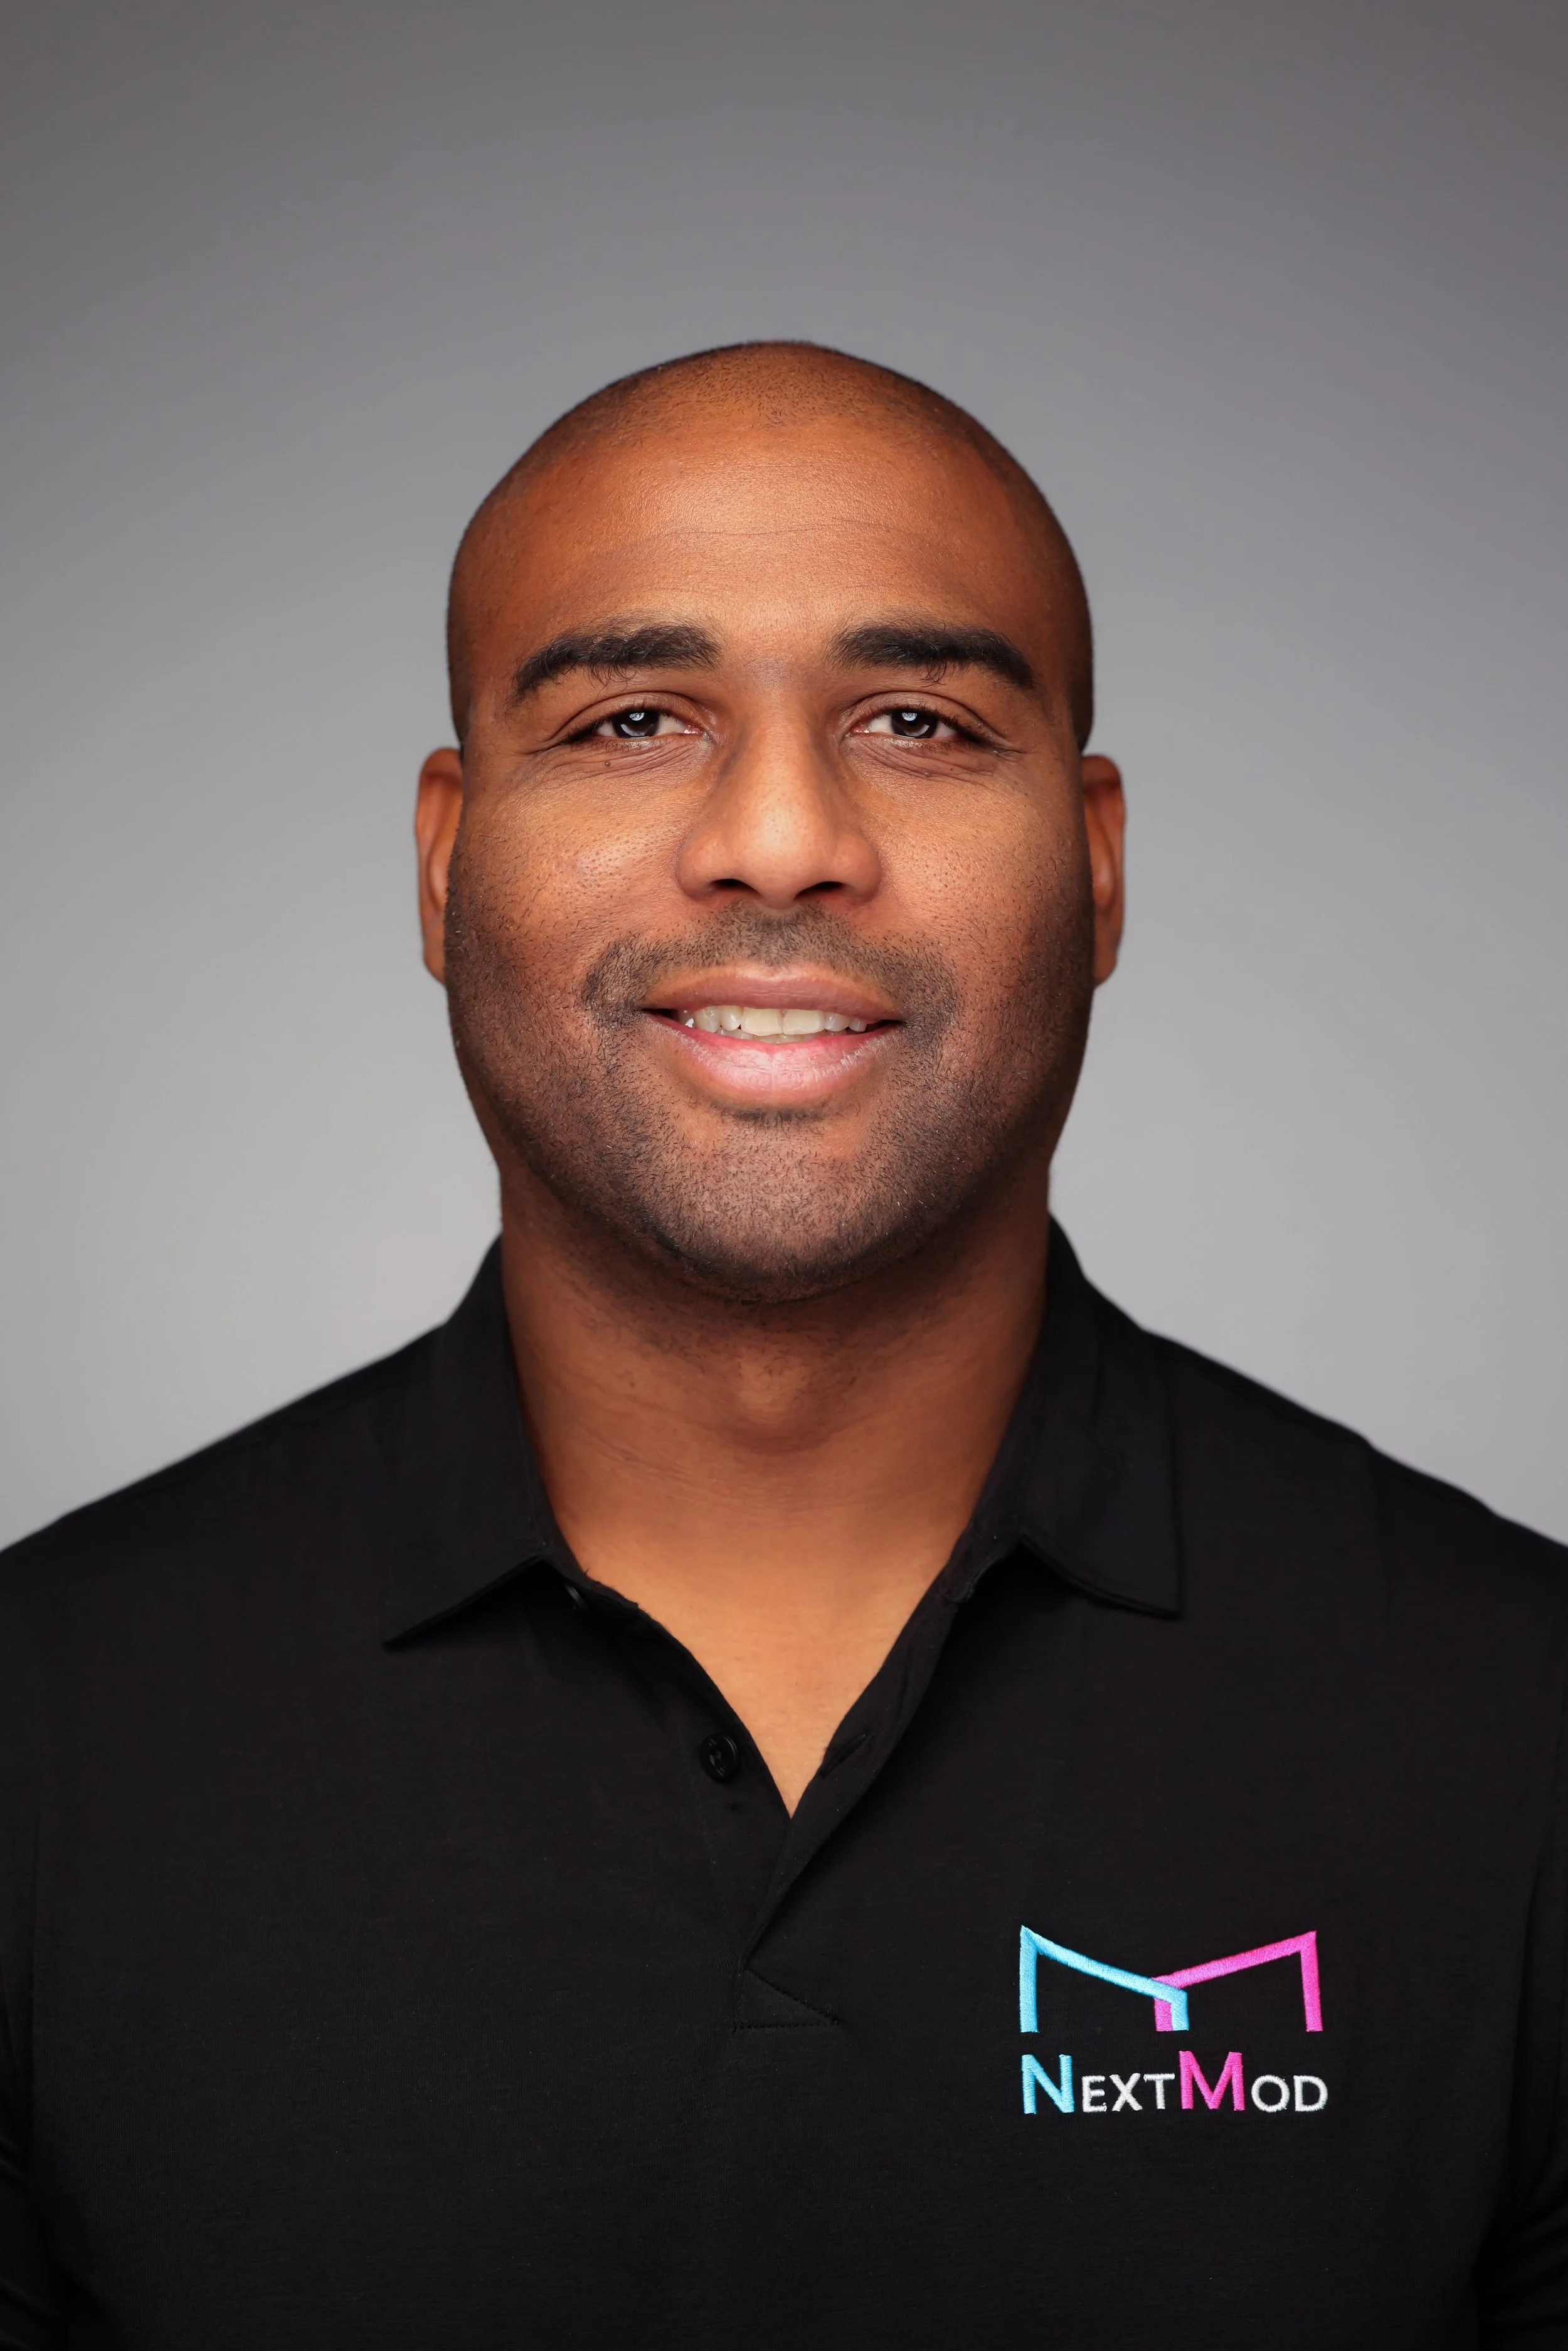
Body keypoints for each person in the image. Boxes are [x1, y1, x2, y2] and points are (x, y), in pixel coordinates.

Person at [1, 342, 1564, 2351]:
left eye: (914, 718)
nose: (774, 834)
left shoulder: (1516, 1732)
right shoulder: (43, 1740)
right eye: (633, 715)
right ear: (439, 859)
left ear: (1094, 866)